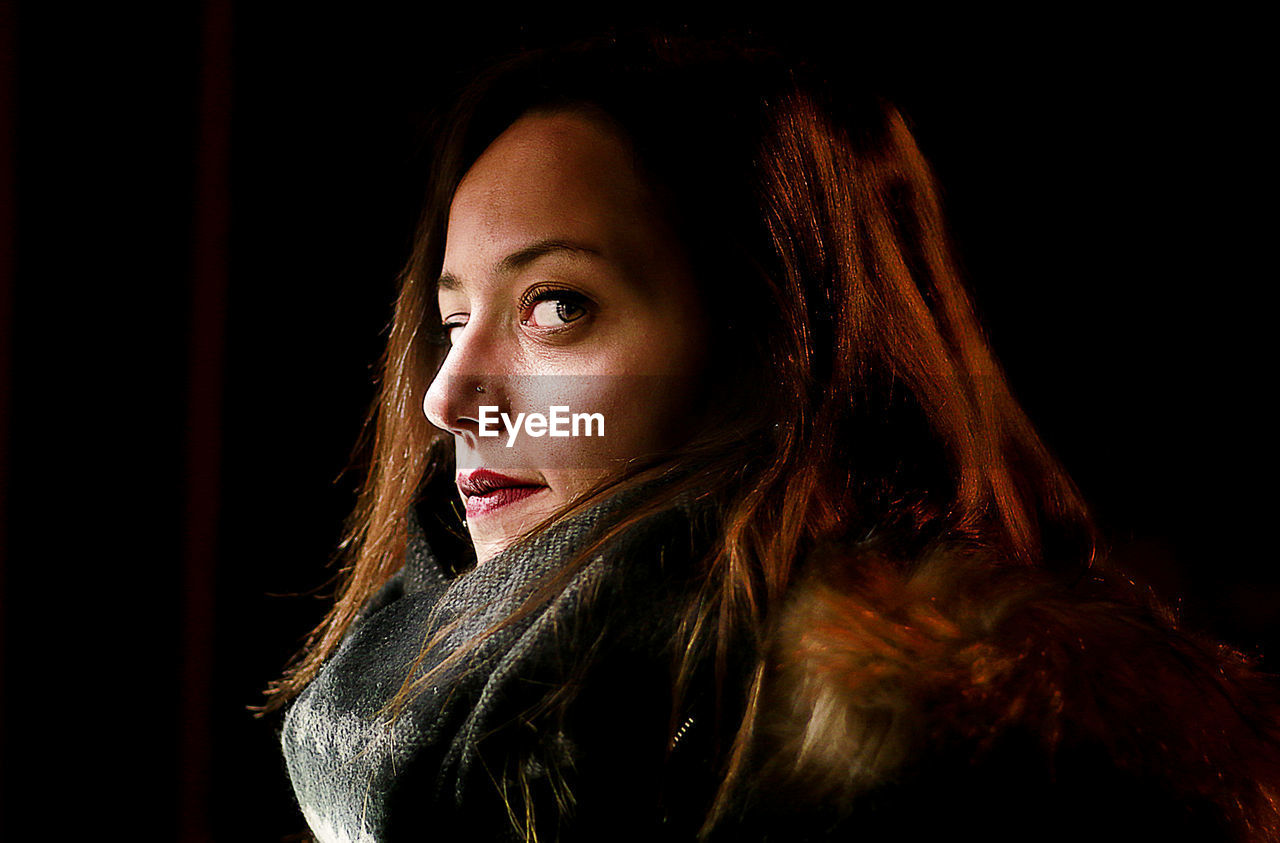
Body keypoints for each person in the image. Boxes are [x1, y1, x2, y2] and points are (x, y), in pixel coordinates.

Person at [263, 32, 1280, 842]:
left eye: (556, 306)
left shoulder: (961, 777)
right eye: (452, 320)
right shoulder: (413, 722)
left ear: (776, 347)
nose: (449, 397)